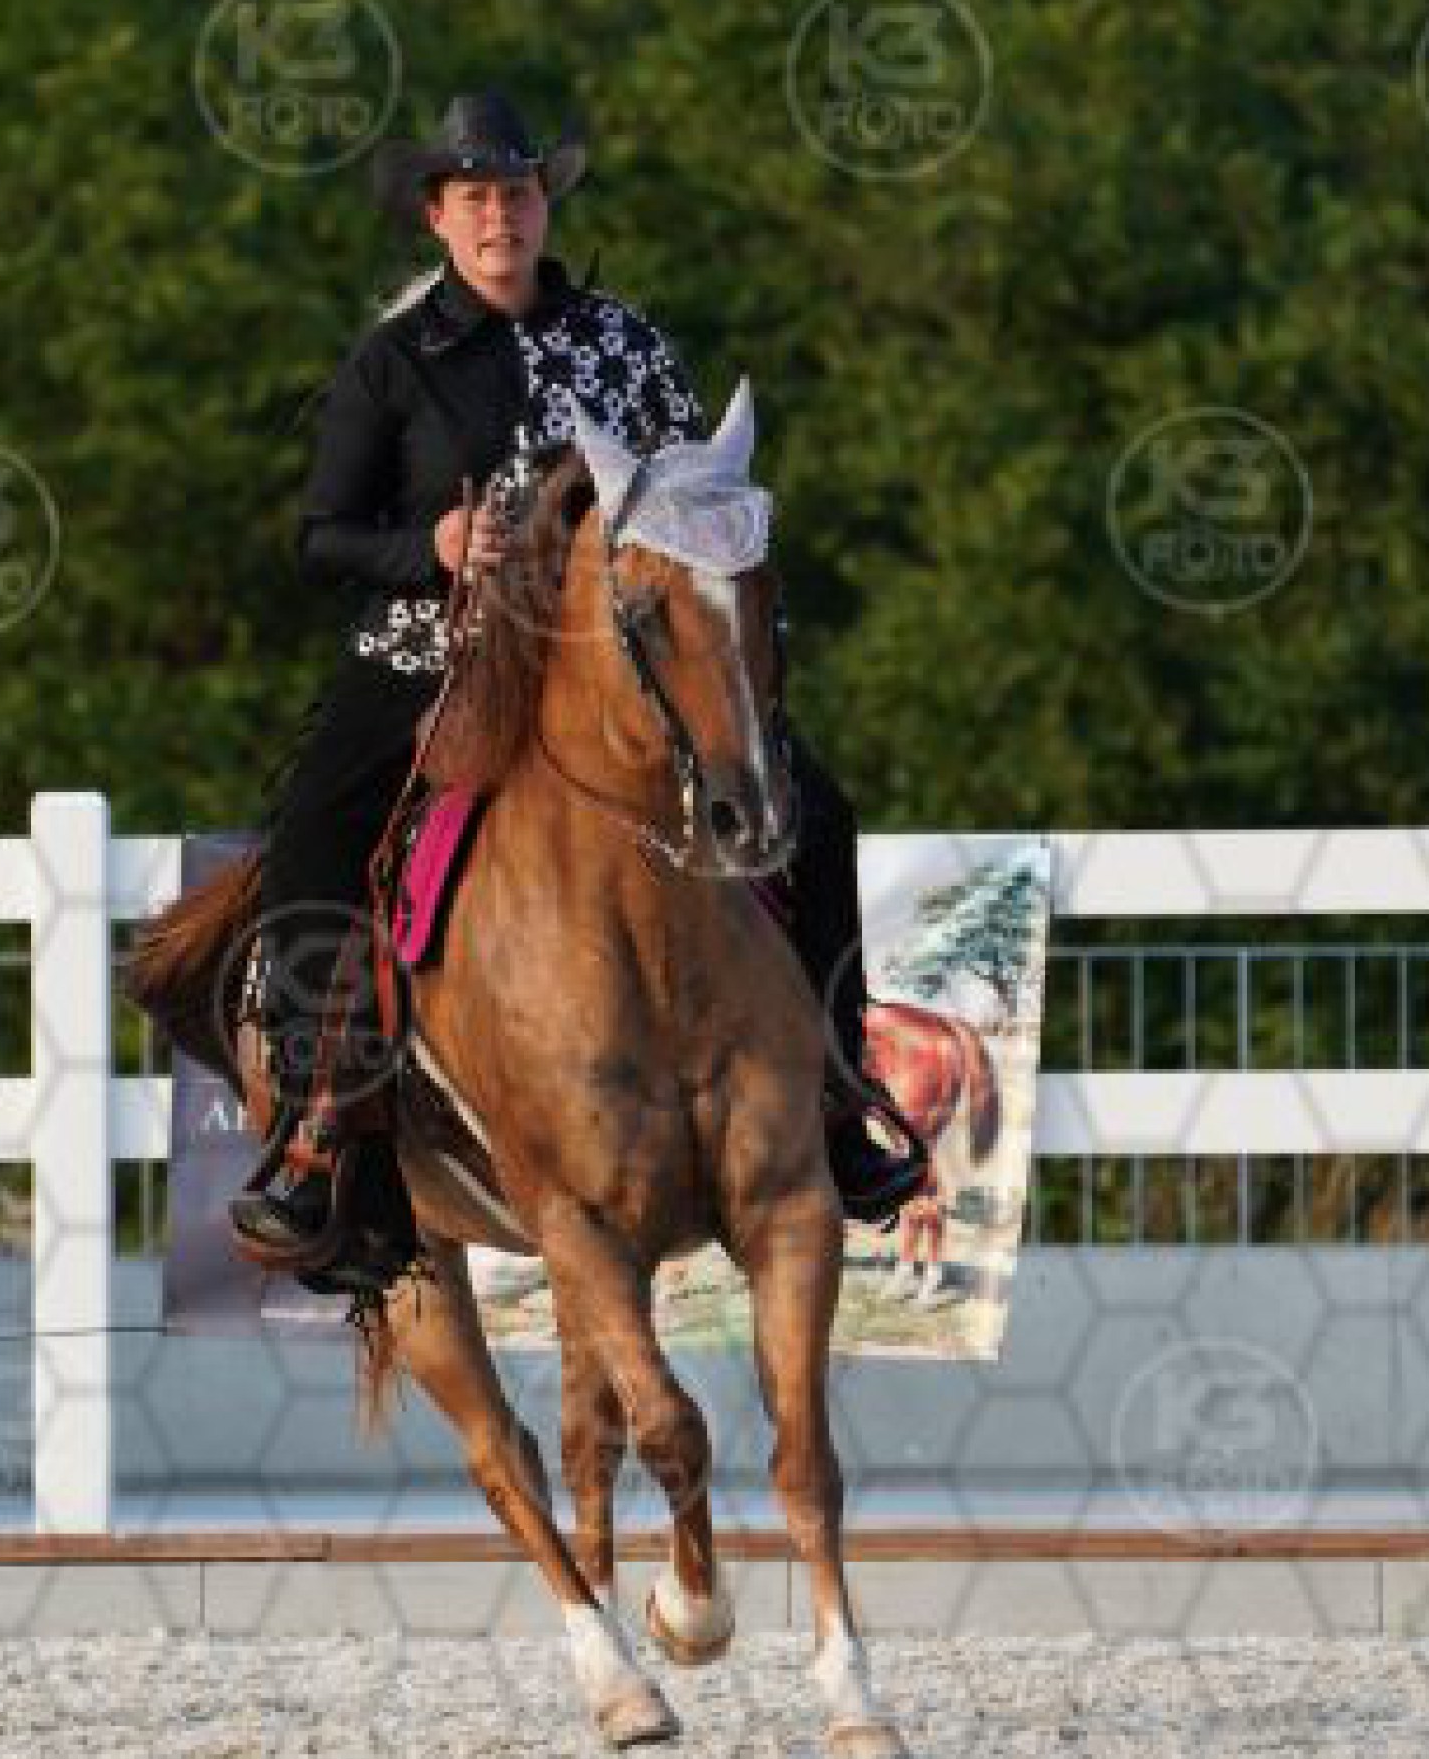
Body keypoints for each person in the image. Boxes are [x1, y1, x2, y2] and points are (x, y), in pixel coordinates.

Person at [230, 88, 925, 1280]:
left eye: (515, 192)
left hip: (629, 665)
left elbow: (700, 494)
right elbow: (319, 539)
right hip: (433, 651)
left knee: (819, 809)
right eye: (473, 198)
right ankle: (317, 1133)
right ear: (436, 217)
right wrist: (432, 547)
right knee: (314, 839)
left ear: (543, 204)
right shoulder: (391, 364)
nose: (497, 215)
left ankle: (836, 1092)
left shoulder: (628, 343)